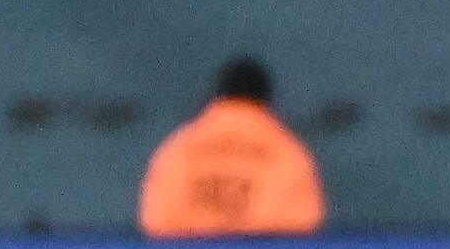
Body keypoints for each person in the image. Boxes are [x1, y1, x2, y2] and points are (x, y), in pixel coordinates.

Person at [138, 57, 325, 238]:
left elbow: (155, 219)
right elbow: (303, 222)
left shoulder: (178, 148)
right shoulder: (287, 151)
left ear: (217, 94)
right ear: (267, 97)